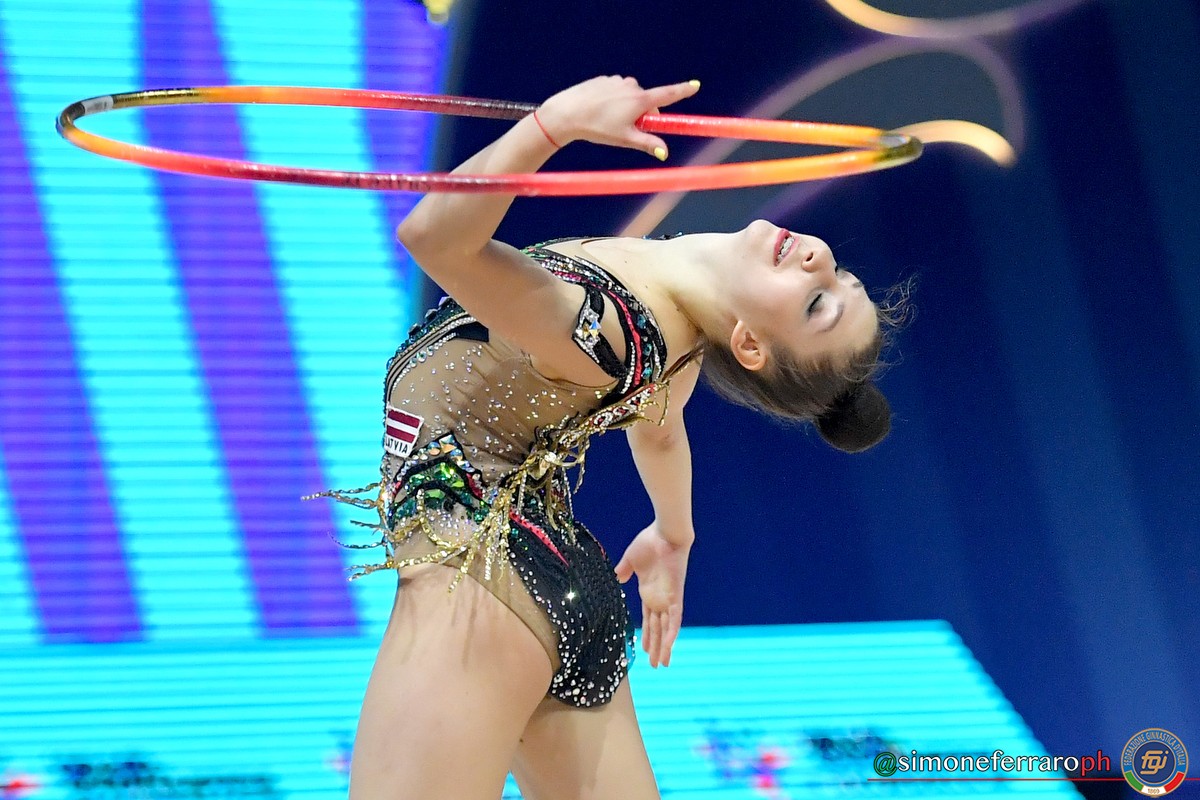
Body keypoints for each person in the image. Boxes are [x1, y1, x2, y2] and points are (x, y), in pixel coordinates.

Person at [309, 75, 897, 799]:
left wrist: (552, 126)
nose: (819, 263)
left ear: (750, 344)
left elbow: (434, 238)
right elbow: (662, 434)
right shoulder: (673, 346)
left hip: (476, 582)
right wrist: (673, 535)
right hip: (553, 584)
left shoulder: (607, 330)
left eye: (816, 305)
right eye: (842, 276)